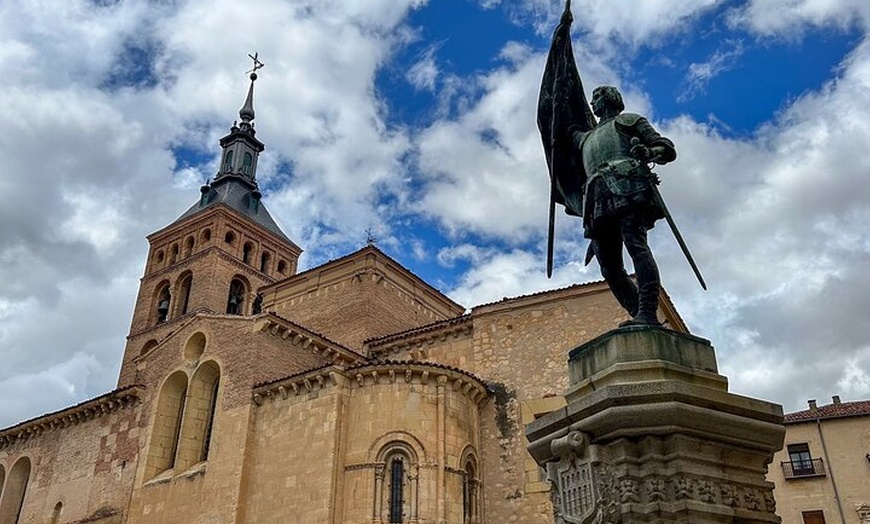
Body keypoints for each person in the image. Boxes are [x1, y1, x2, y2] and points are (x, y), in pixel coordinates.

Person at [570, 86, 676, 326]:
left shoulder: (629, 121)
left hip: (627, 187)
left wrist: (649, 151)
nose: (592, 102)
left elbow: (665, 148)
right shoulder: (585, 138)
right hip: (596, 198)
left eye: (596, 97)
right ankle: (638, 311)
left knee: (636, 246)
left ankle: (647, 312)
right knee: (609, 268)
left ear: (609, 99)